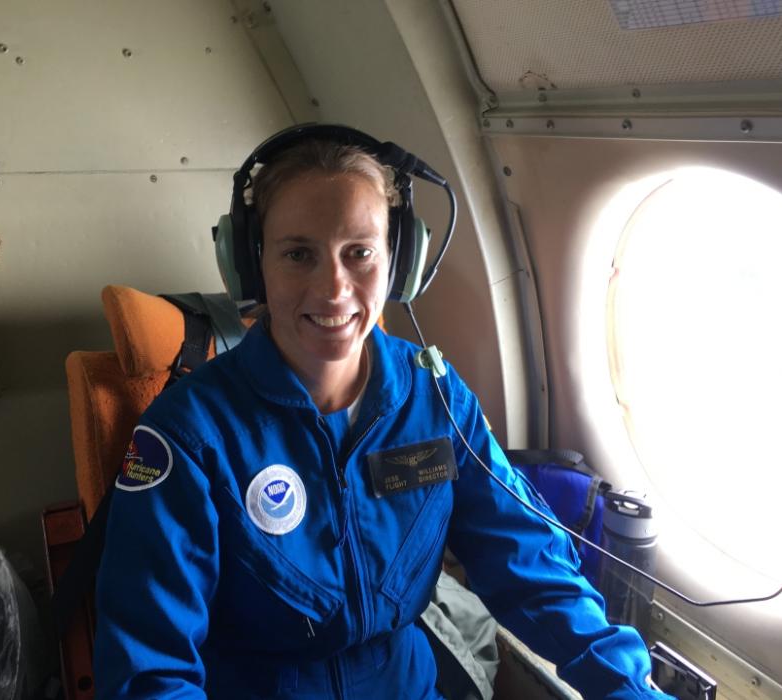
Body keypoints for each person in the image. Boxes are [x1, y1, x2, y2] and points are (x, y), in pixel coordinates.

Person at [94, 125, 674, 699]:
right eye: (299, 254)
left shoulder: (436, 397)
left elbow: (530, 566)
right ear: (251, 266)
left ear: (399, 261)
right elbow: (150, 673)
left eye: (360, 253)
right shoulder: (191, 434)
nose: (334, 288)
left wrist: (628, 688)